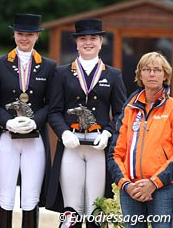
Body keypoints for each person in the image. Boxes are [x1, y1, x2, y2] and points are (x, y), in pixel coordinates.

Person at [46, 19, 127, 228]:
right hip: (71, 146)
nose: (88, 42)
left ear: (101, 42)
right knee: (71, 211)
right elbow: (54, 110)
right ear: (76, 43)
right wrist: (63, 132)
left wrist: (108, 133)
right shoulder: (62, 72)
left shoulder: (113, 74)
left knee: (96, 210)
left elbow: (120, 113)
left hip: (98, 148)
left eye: (93, 38)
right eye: (83, 38)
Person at [0, 13, 56, 228]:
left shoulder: (49, 66)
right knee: (5, 194)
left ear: (37, 36)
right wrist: (7, 122)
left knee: (30, 196)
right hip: (7, 136)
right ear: (14, 35)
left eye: (29, 35)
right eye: (20, 34)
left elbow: (51, 104)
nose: (24, 39)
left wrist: (36, 121)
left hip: (34, 138)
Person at [108, 51, 173, 228]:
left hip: (163, 189)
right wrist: (126, 184)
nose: (152, 74)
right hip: (130, 190)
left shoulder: (171, 108)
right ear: (140, 75)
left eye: (157, 70)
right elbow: (115, 153)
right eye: (147, 69)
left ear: (165, 75)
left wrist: (154, 182)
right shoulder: (129, 108)